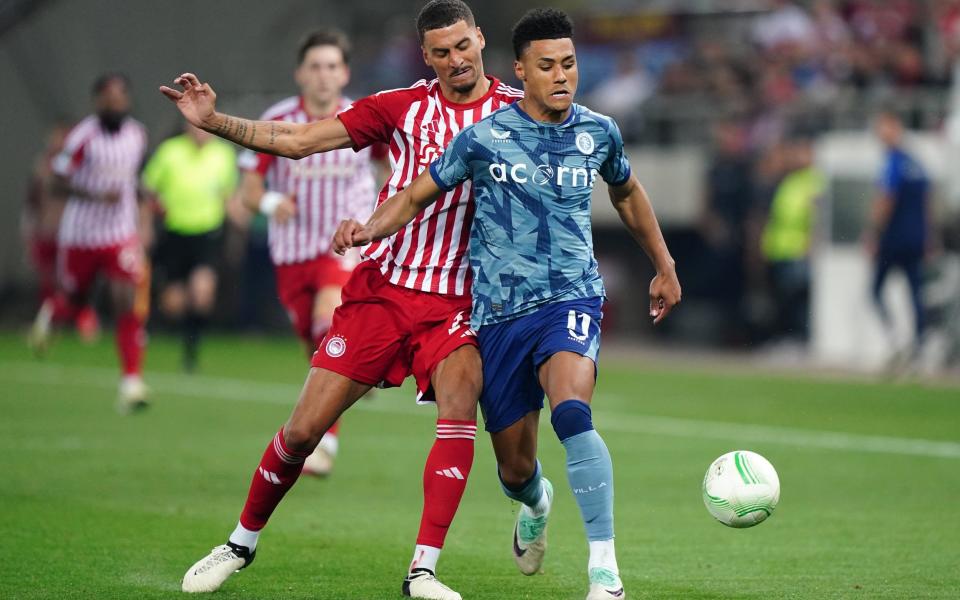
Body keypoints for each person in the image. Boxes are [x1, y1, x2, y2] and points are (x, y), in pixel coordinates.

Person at [162, 2, 522, 598]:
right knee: (302, 433)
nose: (456, 60)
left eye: (463, 45)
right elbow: (300, 140)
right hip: (382, 291)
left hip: (460, 301)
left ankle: (423, 572)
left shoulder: (517, 113)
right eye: (441, 51)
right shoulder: (402, 107)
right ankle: (240, 542)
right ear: (426, 58)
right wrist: (214, 120)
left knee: (459, 406)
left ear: (480, 39)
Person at [333, 9, 681, 600]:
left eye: (569, 63)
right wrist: (370, 228)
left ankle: (605, 572)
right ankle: (536, 501)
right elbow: (417, 194)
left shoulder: (599, 132)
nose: (562, 75)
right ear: (520, 71)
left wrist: (665, 266)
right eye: (546, 66)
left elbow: (628, 192)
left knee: (573, 412)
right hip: (496, 317)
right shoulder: (484, 137)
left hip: (571, 298)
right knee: (515, 470)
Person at [237, 28, 386, 476]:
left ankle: (326, 445)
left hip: (343, 245)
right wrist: (268, 202)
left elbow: (388, 164)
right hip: (292, 251)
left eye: (331, 67)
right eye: (315, 66)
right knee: (318, 348)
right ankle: (360, 370)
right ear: (301, 73)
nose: (323, 76)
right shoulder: (278, 119)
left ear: (344, 74)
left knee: (328, 324)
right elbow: (248, 189)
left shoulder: (362, 116)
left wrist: (382, 213)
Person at [50, 73, 150, 411]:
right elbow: (57, 180)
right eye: (109, 99)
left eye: (121, 98)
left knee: (126, 299)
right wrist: (93, 195)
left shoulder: (137, 134)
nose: (116, 104)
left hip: (119, 233)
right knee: (76, 301)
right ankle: (53, 313)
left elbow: (132, 181)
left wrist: (146, 202)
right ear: (98, 103)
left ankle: (132, 381)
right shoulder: (84, 136)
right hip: (81, 234)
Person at [142, 122, 237, 371]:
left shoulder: (223, 155)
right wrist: (147, 222)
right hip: (174, 233)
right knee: (174, 303)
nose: (201, 132)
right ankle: (171, 333)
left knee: (202, 293)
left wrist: (240, 223)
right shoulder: (170, 151)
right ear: (187, 127)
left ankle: (191, 351)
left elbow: (228, 196)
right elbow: (148, 189)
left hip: (207, 234)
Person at [25, 123, 102, 352]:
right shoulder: (43, 167)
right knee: (51, 280)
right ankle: (53, 323)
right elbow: (32, 203)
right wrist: (30, 232)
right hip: (48, 231)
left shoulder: (81, 166)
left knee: (72, 281)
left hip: (73, 233)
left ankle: (79, 320)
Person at [865, 108, 931, 359]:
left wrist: (872, 233)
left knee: (875, 290)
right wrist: (928, 237)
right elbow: (927, 203)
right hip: (915, 238)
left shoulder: (892, 162)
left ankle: (895, 340)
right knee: (915, 292)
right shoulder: (917, 164)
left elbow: (886, 199)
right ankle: (919, 345)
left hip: (893, 238)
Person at [760, 135, 824, 345]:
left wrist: (811, 246)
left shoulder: (815, 181)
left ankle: (799, 340)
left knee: (798, 301)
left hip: (798, 251)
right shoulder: (789, 180)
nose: (798, 156)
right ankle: (786, 339)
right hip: (780, 250)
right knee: (781, 300)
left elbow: (818, 219)